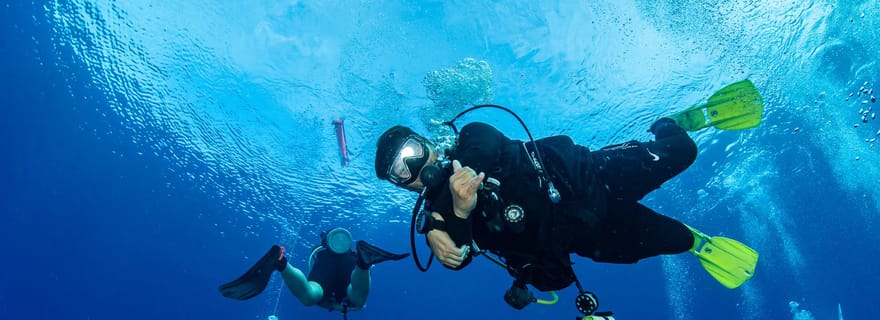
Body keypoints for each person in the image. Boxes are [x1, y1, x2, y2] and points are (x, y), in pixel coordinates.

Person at [374, 115, 709, 305]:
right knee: (677, 240)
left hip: (591, 175)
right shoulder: (442, 223)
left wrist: (436, 220)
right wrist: (456, 215)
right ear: (403, 186)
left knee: (683, 150)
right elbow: (458, 259)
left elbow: (486, 148)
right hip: (587, 233)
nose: (415, 168)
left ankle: (666, 123)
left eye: (413, 153)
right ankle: (694, 240)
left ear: (427, 143)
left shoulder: (470, 137)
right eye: (401, 171)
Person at [218, 227, 409, 315]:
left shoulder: (323, 253)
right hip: (350, 258)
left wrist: (337, 307)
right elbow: (357, 305)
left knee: (311, 294)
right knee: (356, 296)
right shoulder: (346, 254)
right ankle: (363, 263)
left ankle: (281, 263)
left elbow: (319, 301)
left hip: (325, 261)